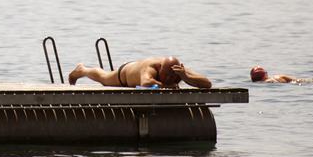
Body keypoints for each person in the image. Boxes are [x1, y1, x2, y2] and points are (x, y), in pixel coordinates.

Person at [68, 56, 212, 89]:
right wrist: (166, 86)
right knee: (104, 78)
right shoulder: (151, 67)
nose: (169, 79)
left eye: (172, 77)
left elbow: (207, 84)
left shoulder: (178, 70)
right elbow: (146, 82)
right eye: (166, 75)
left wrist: (186, 77)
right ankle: (82, 70)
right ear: (160, 69)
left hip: (135, 72)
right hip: (126, 73)